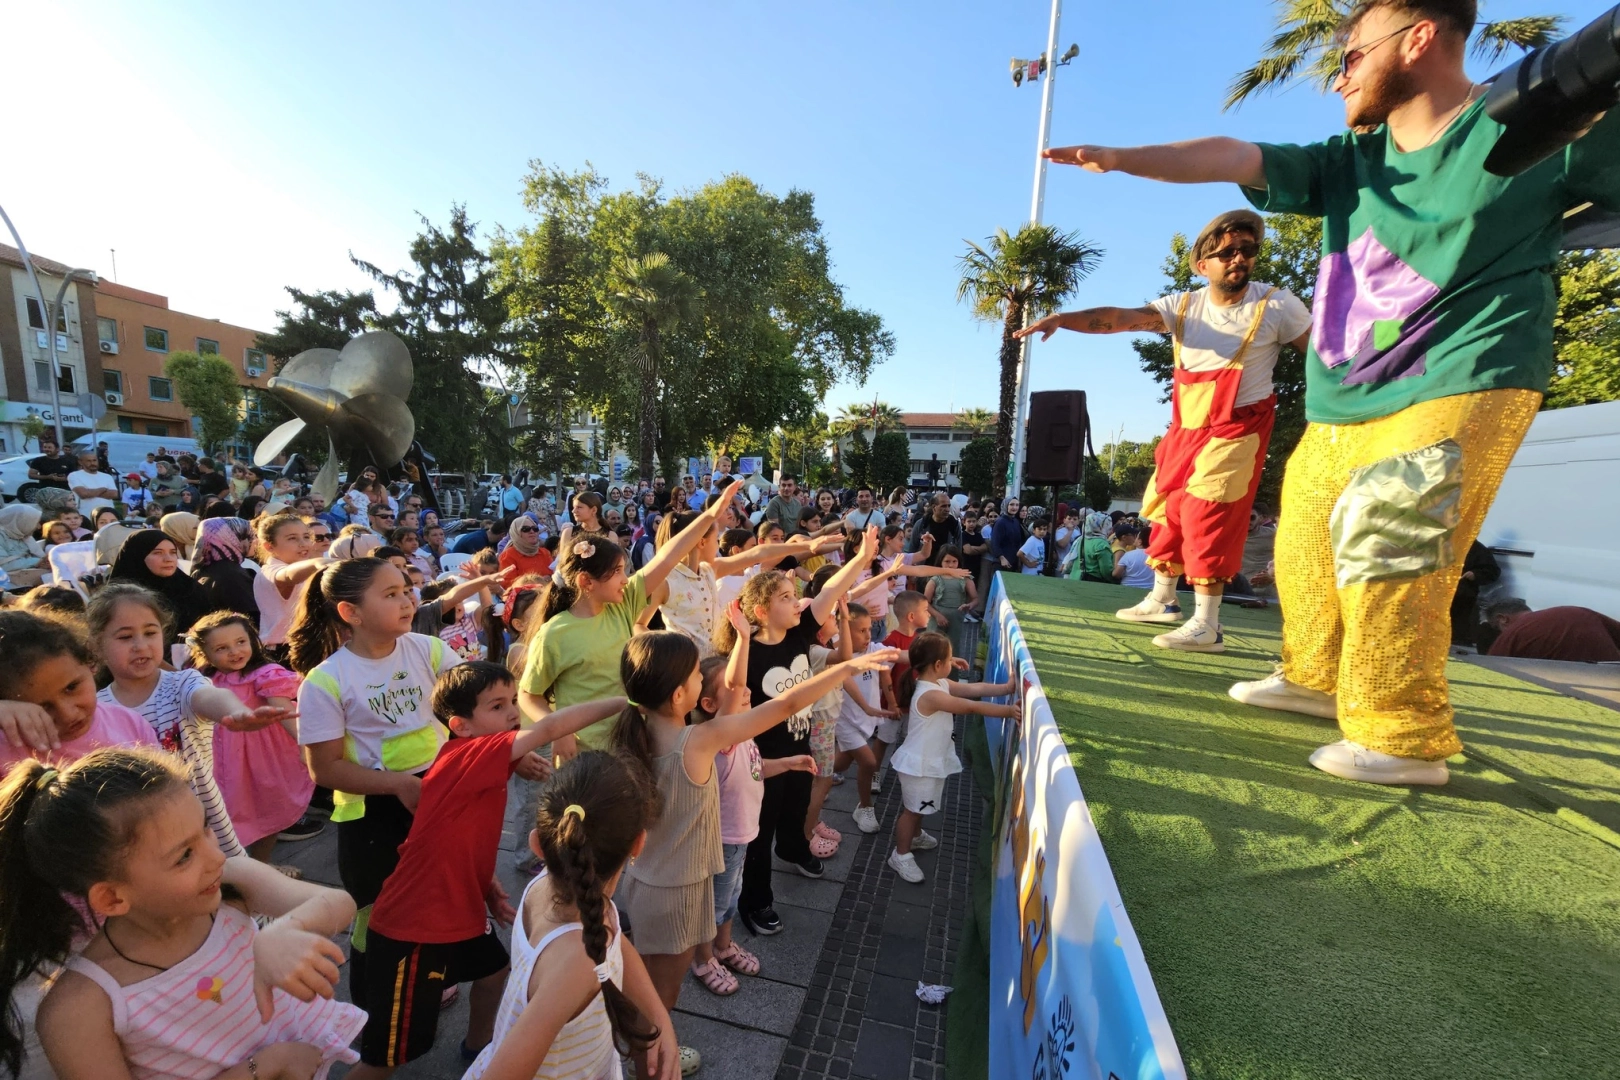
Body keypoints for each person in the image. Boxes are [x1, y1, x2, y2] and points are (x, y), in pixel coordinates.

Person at [1039, 0, 1617, 783]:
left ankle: (1401, 732)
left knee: (1391, 533)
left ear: (1418, 39)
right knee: (1307, 540)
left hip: (1465, 372)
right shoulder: (1350, 161)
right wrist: (1121, 156)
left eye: (1350, 56)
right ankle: (1313, 679)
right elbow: (1235, 155)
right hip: (1347, 401)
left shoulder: (1537, 127)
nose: (1337, 77)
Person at [1019, 212, 1310, 651]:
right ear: (1203, 264)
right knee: (1167, 508)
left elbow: (1324, 354)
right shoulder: (1184, 306)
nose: (1239, 258)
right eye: (1228, 251)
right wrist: (1064, 318)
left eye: (1248, 250)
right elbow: (1120, 317)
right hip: (1186, 427)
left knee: (1206, 512)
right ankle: (1162, 599)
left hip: (1237, 428)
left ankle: (1208, 624)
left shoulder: (1277, 305)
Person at [610, 630, 895, 1071]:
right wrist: (845, 667)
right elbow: (784, 705)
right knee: (661, 997)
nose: (705, 680)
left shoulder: (640, 732)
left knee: (649, 982)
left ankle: (640, 1048)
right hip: (678, 893)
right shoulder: (698, 742)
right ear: (680, 694)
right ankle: (651, 1062)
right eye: (695, 673)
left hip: (648, 883)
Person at [0, 748, 365, 1079]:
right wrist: (265, 1067)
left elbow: (341, 904)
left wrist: (285, 929)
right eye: (184, 856)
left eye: (206, 829)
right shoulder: (81, 1007)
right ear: (111, 898)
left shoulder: (230, 887)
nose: (217, 857)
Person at [353, 664, 626, 1077]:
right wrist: (627, 701)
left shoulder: (478, 758)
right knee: (388, 1058)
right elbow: (548, 727)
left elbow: (455, 837)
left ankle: (479, 1050)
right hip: (415, 926)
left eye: (513, 701)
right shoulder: (467, 755)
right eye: (497, 706)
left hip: (455, 907)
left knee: (494, 971)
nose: (513, 712)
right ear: (460, 726)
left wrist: (485, 885)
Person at [288, 557, 463, 1011]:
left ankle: (431, 977)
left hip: (435, 793)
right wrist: (399, 785)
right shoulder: (326, 680)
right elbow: (324, 769)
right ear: (351, 612)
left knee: (435, 896)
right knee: (379, 913)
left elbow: (473, 707)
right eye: (390, 595)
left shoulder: (429, 650)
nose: (407, 601)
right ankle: (375, 1003)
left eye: (406, 590)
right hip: (372, 813)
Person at [464, 752, 677, 1080]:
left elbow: (615, 944)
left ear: (539, 844)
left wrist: (658, 1015)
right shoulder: (577, 962)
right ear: (638, 844)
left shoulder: (557, 888)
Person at [716, 526, 882, 935]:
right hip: (762, 762)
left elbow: (830, 591)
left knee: (796, 809)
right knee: (759, 836)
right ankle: (756, 901)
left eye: (795, 595)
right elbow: (734, 694)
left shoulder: (799, 633)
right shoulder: (746, 651)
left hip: (799, 747)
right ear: (761, 612)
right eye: (786, 598)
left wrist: (861, 559)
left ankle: (793, 848)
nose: (797, 602)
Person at [519, 480, 744, 756]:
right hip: (584, 756)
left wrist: (710, 515)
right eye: (617, 572)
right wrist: (557, 728)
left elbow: (667, 557)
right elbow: (529, 695)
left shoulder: (622, 607)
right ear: (586, 581)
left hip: (630, 746)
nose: (626, 579)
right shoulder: (555, 633)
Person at [886, 633, 1018, 883]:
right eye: (949, 659)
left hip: (928, 762)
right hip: (919, 766)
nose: (953, 663)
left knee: (919, 806)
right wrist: (1008, 711)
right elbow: (970, 706)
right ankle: (900, 854)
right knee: (911, 811)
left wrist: (1006, 688)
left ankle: (915, 837)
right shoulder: (930, 694)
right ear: (938, 665)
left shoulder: (939, 683)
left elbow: (974, 689)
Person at [187, 610, 316, 862]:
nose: (235, 652)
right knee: (221, 814)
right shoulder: (205, 680)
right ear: (205, 653)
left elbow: (284, 712)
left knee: (268, 808)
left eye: (240, 642)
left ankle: (261, 862)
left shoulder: (264, 674)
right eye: (222, 648)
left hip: (262, 760)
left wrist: (305, 746)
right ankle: (229, 865)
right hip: (220, 760)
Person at [0, 610, 160, 770]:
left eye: (71, 687)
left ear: (90, 664)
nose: (67, 714)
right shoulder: (9, 748)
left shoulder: (130, 724)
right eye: (43, 706)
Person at [833, 601, 898, 836]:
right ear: (843, 631)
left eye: (869, 629)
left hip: (866, 720)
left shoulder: (873, 650)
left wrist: (932, 656)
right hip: (844, 721)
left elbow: (896, 660)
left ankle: (819, 774)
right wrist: (868, 707)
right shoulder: (834, 656)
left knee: (842, 763)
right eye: (861, 630)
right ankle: (864, 808)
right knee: (869, 763)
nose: (868, 635)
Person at [107, 529, 211, 641]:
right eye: (158, 553)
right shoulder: (119, 599)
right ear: (137, 556)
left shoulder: (190, 589)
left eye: (173, 553)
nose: (168, 559)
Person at [254, 512, 330, 661]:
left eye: (306, 537)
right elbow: (288, 576)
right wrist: (317, 563)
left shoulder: (305, 568)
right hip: (284, 652)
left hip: (309, 646)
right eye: (292, 538)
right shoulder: (270, 571)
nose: (303, 543)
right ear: (269, 546)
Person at [1482, 600, 1620, 663]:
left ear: (1502, 619)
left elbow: (1491, 670)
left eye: (1497, 628)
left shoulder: (1512, 633)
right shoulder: (1576, 611)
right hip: (1611, 677)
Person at [191, 516, 260, 627]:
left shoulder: (203, 569)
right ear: (230, 540)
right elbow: (253, 620)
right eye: (246, 537)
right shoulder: (232, 576)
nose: (255, 541)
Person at [1449, 540, 1501, 646]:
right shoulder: (1437, 541)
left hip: (1461, 596)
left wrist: (1475, 574)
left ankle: (1458, 641)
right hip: (1435, 594)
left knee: (1458, 628)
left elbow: (1492, 571)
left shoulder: (1475, 547)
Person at [0, 505, 48, 591]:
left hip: (30, 581)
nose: (38, 527)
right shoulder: (2, 537)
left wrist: (46, 561)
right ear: (21, 521)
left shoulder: (23, 534)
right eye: (35, 523)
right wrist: (37, 562)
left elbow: (40, 556)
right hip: (9, 588)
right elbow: (4, 566)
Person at [499, 513, 554, 578]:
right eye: (526, 529)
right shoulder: (508, 556)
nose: (532, 531)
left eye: (535, 528)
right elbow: (508, 582)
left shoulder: (545, 553)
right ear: (516, 533)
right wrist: (539, 581)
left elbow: (554, 576)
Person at [67, 452, 118, 518]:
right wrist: (103, 489)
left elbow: (114, 494)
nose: (92, 463)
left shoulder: (107, 477)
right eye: (89, 461)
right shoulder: (74, 475)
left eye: (94, 460)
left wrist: (90, 492)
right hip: (85, 515)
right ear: (80, 462)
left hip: (108, 515)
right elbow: (83, 494)